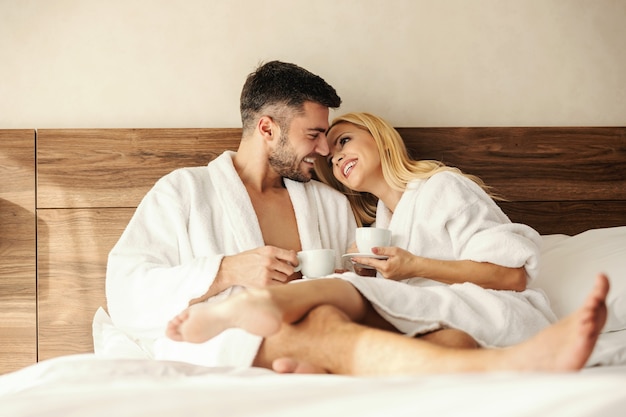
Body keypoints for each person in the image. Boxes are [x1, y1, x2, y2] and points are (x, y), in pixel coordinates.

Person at [166, 112, 558, 352]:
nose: (334, 155)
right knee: (437, 346)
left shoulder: (444, 188)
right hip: (444, 326)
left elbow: (513, 276)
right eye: (331, 158)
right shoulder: (384, 224)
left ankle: (249, 308)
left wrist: (413, 266)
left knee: (351, 295)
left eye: (344, 141)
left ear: (380, 136)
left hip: (498, 311)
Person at [103, 60, 357, 367]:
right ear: (267, 128)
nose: (325, 150)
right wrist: (226, 271)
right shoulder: (183, 191)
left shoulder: (330, 206)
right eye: (314, 134)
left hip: (313, 358)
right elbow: (126, 296)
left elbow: (358, 297)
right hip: (224, 360)